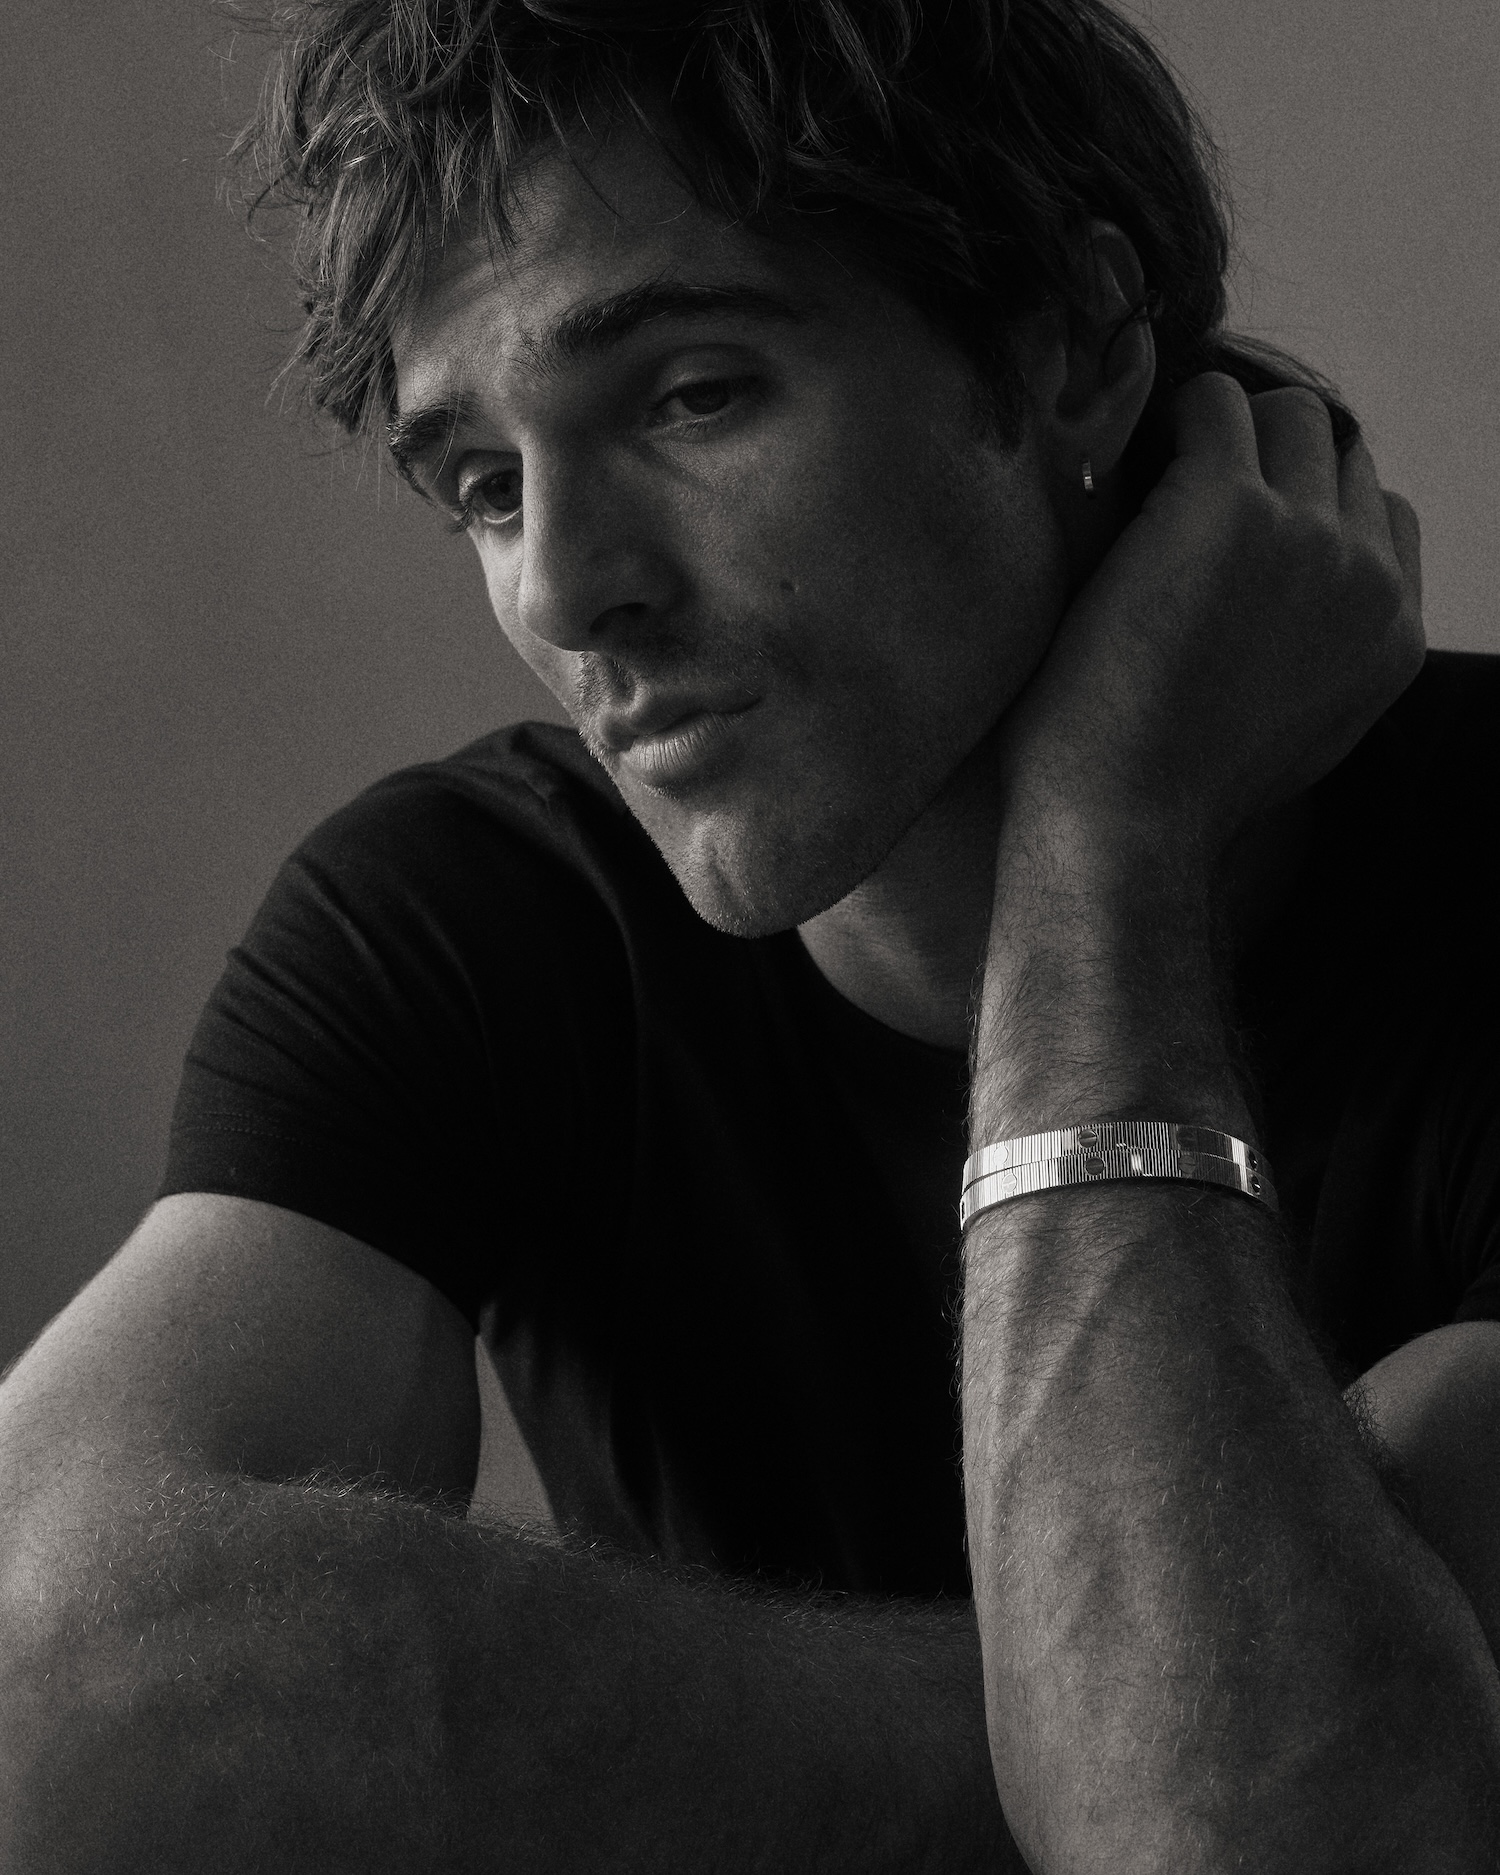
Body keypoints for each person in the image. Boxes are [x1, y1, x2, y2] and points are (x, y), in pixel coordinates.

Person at [2, 0, 1498, 1868]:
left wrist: (1104, 846)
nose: (567, 586)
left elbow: (1249, 1844)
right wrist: (1108, 1707)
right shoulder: (472, 918)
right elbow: (49, 1684)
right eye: (484, 486)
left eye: (693, 395)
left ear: (1071, 341)